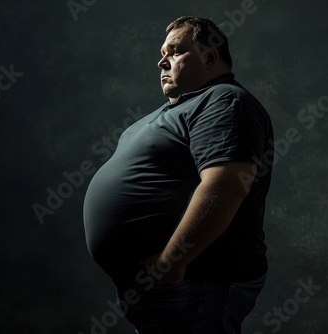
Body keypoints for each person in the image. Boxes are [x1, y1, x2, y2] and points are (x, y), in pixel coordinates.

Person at [83, 15, 274, 333]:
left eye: (174, 51)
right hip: (158, 283)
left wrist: (172, 262)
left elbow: (226, 184)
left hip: (197, 278)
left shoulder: (224, 101)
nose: (161, 62)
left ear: (209, 56)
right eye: (162, 53)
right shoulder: (173, 111)